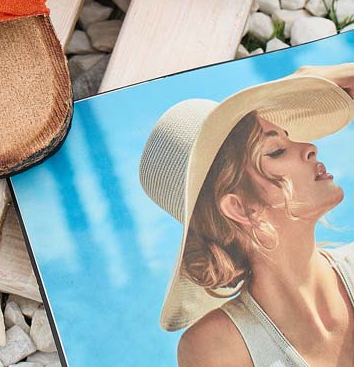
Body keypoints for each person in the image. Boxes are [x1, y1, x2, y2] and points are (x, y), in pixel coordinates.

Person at [139, 63, 354, 367]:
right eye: (276, 150)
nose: (310, 147)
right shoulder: (217, 347)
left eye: (289, 138)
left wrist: (317, 74)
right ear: (239, 207)